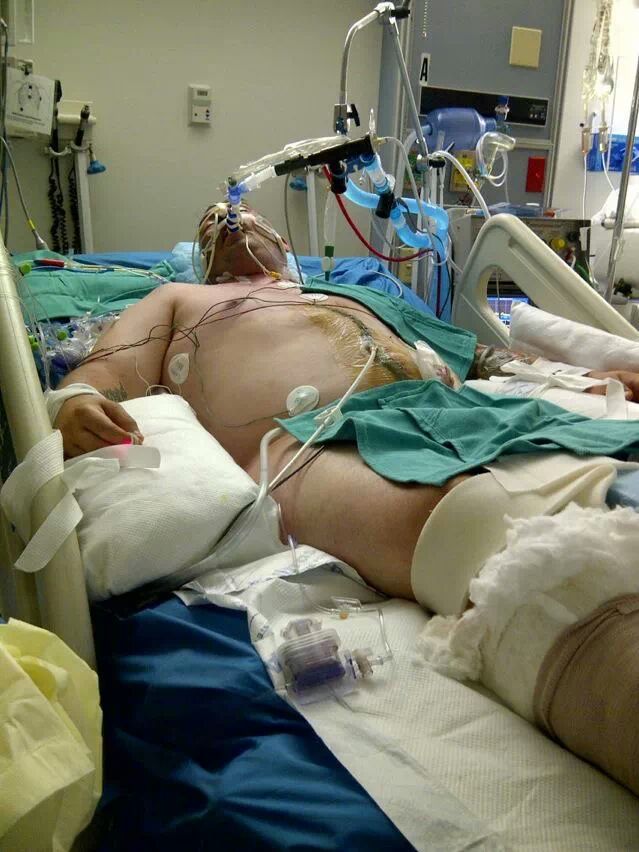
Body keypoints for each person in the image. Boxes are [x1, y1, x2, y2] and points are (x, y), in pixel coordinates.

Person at [54, 202, 639, 602]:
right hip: (308, 443)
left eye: (244, 217)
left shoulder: (352, 294)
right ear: (201, 259)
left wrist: (574, 378)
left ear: (283, 246)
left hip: (451, 410)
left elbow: (477, 357)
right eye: (211, 227)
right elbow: (108, 371)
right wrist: (75, 401)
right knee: (477, 532)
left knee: (609, 478)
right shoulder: (181, 298)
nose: (228, 222)